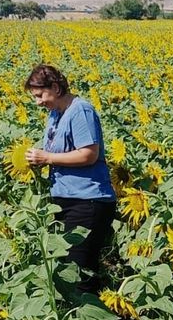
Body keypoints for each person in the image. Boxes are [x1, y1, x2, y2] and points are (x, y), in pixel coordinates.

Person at [24, 64, 116, 294]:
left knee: (79, 273)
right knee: (70, 270)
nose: (37, 102)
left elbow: (89, 153)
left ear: (55, 87)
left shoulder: (80, 110)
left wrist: (47, 157)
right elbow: (58, 154)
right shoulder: (55, 115)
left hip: (88, 201)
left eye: (39, 95)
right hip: (66, 200)